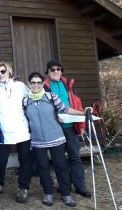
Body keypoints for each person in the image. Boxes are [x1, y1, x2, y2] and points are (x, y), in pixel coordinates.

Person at [24, 72, 88, 207]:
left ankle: (66, 194)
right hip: (37, 140)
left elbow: (65, 109)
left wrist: (82, 113)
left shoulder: (51, 97)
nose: (36, 85)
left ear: (43, 84)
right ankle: (48, 193)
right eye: (33, 82)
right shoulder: (25, 101)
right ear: (29, 84)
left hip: (56, 138)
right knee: (43, 167)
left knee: (61, 166)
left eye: (39, 82)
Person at [43, 59, 91, 198]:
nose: (56, 72)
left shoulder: (68, 84)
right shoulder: (44, 86)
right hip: (55, 127)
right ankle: (65, 185)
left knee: (75, 157)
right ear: (48, 72)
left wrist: (81, 125)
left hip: (70, 127)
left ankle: (80, 186)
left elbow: (77, 105)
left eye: (58, 69)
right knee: (59, 159)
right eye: (52, 69)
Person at [0, 61, 32, 203]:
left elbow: (34, 95)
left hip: (21, 129)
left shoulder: (20, 86)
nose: (0, 74)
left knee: (25, 160)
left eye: (3, 71)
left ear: (9, 72)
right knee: (0, 161)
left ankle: (23, 188)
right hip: (4, 131)